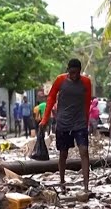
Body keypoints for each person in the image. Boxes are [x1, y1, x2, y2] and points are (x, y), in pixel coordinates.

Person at [40, 58, 93, 193]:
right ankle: (62, 181)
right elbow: (51, 98)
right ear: (68, 70)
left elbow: (87, 103)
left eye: (77, 73)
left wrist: (87, 122)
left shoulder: (86, 82)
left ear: (80, 72)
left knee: (84, 152)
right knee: (63, 153)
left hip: (79, 122)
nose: (74, 75)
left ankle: (86, 186)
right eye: (72, 72)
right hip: (63, 122)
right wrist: (45, 119)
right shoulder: (60, 80)